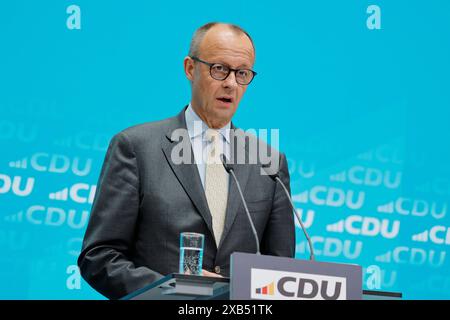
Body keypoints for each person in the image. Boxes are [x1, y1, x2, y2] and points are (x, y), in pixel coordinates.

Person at [78, 22, 295, 300]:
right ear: (190, 69)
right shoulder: (136, 147)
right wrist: (176, 291)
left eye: (242, 73)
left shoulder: (269, 162)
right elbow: (98, 256)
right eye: (219, 69)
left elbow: (281, 272)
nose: (231, 83)